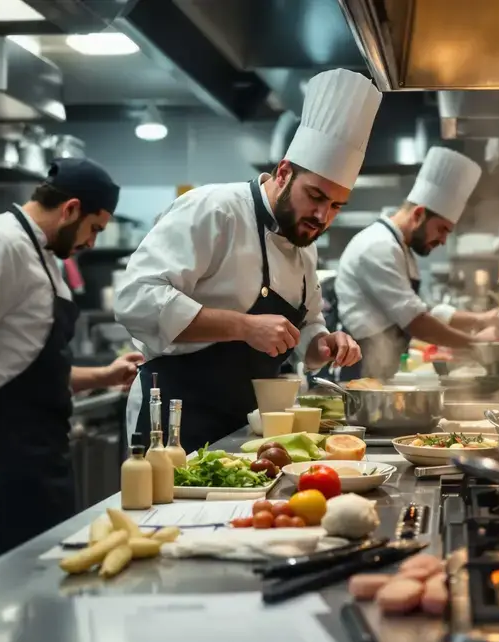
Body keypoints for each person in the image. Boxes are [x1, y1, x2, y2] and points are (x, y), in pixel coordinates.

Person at [115, 68, 381, 450]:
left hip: (248, 426)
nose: (322, 217)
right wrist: (244, 326)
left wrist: (322, 344)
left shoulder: (303, 238)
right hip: (175, 420)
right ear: (284, 172)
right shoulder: (214, 209)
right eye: (316, 197)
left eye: (337, 205)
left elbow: (306, 325)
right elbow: (136, 299)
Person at [0, 158, 141, 571]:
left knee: (41, 586)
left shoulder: (39, 254)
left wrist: (104, 375)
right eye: (94, 228)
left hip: (38, 457)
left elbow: (20, 367)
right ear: (71, 208)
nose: (93, 242)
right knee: (0, 588)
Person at [336, 147, 499, 380]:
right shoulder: (378, 247)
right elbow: (416, 321)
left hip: (383, 370)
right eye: (442, 229)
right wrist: (476, 343)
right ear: (418, 215)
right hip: (362, 371)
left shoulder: (400, 249)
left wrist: (481, 319)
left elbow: (425, 310)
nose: (444, 240)